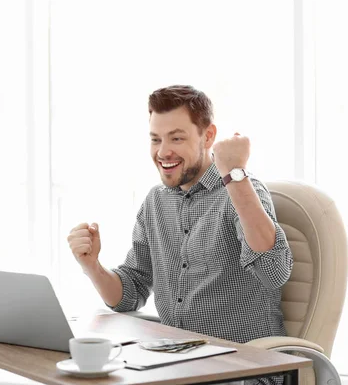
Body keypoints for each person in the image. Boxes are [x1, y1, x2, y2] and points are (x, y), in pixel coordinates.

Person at [66, 85, 293, 348]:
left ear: (208, 137)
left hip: (244, 366)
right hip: (178, 359)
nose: (163, 152)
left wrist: (235, 173)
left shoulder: (240, 190)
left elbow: (273, 272)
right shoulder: (156, 202)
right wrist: (92, 266)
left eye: (176, 139)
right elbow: (130, 293)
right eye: (155, 139)